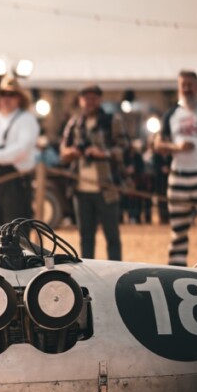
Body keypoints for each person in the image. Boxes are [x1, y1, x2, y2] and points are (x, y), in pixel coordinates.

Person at [154, 70, 197, 266]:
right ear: (179, 88)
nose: (187, 88)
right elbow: (158, 144)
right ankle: (176, 273)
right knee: (178, 233)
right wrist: (176, 147)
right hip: (178, 178)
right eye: (183, 85)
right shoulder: (171, 114)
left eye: (191, 84)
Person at [60, 84, 127, 261]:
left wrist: (103, 153)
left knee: (112, 235)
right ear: (80, 100)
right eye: (86, 98)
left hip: (106, 186)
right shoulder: (74, 122)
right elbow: (63, 151)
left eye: (93, 98)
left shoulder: (112, 120)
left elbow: (124, 148)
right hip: (80, 188)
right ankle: (88, 271)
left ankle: (115, 270)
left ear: (100, 99)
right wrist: (73, 152)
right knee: (85, 236)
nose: (89, 102)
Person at [0, 75, 40, 237]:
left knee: (16, 231)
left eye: (11, 95)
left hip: (15, 180)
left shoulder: (27, 119)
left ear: (19, 98)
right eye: (3, 94)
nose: (6, 99)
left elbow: (21, 150)